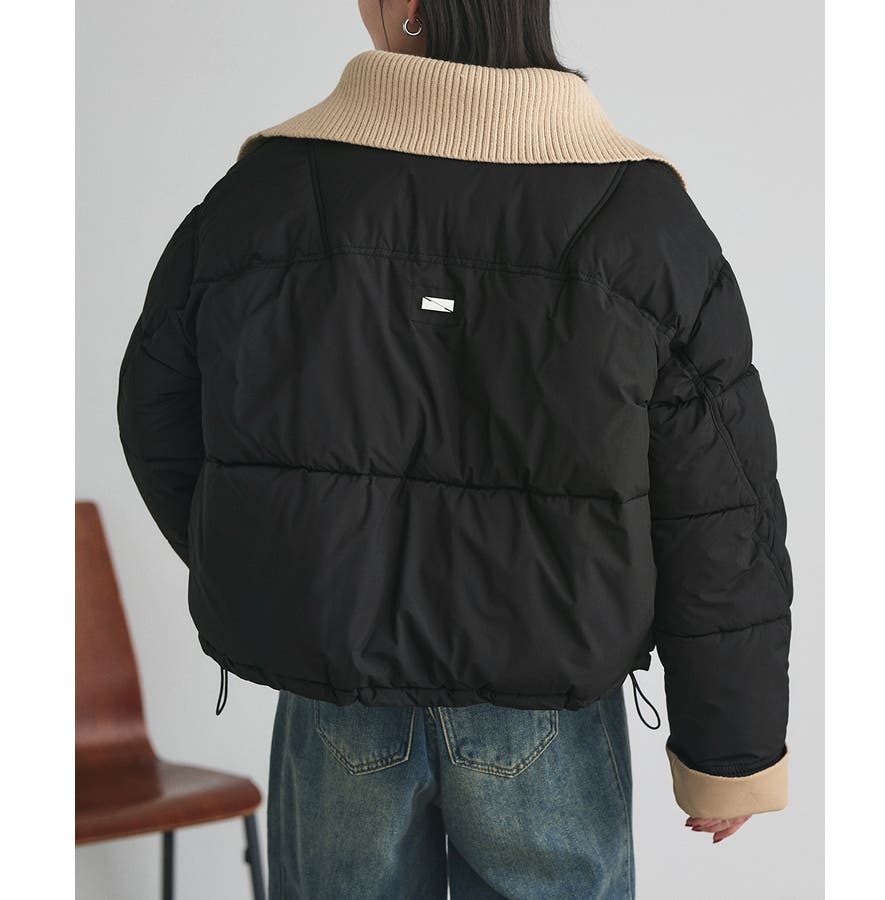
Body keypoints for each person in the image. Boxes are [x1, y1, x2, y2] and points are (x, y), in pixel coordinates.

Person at [116, 1, 793, 897]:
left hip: (335, 689)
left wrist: (286, 565)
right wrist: (728, 748)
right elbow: (721, 504)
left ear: (409, 6)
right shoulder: (642, 218)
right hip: (548, 704)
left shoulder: (264, 196)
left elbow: (158, 414)